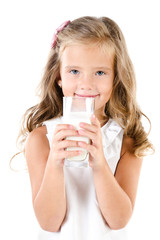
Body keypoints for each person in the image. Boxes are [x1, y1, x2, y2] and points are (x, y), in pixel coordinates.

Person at [18, 16, 154, 240]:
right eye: (74, 71)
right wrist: (54, 163)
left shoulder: (127, 141)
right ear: (58, 77)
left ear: (115, 78)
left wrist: (100, 164)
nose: (87, 84)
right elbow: (49, 223)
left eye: (100, 73)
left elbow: (119, 221)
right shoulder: (41, 139)